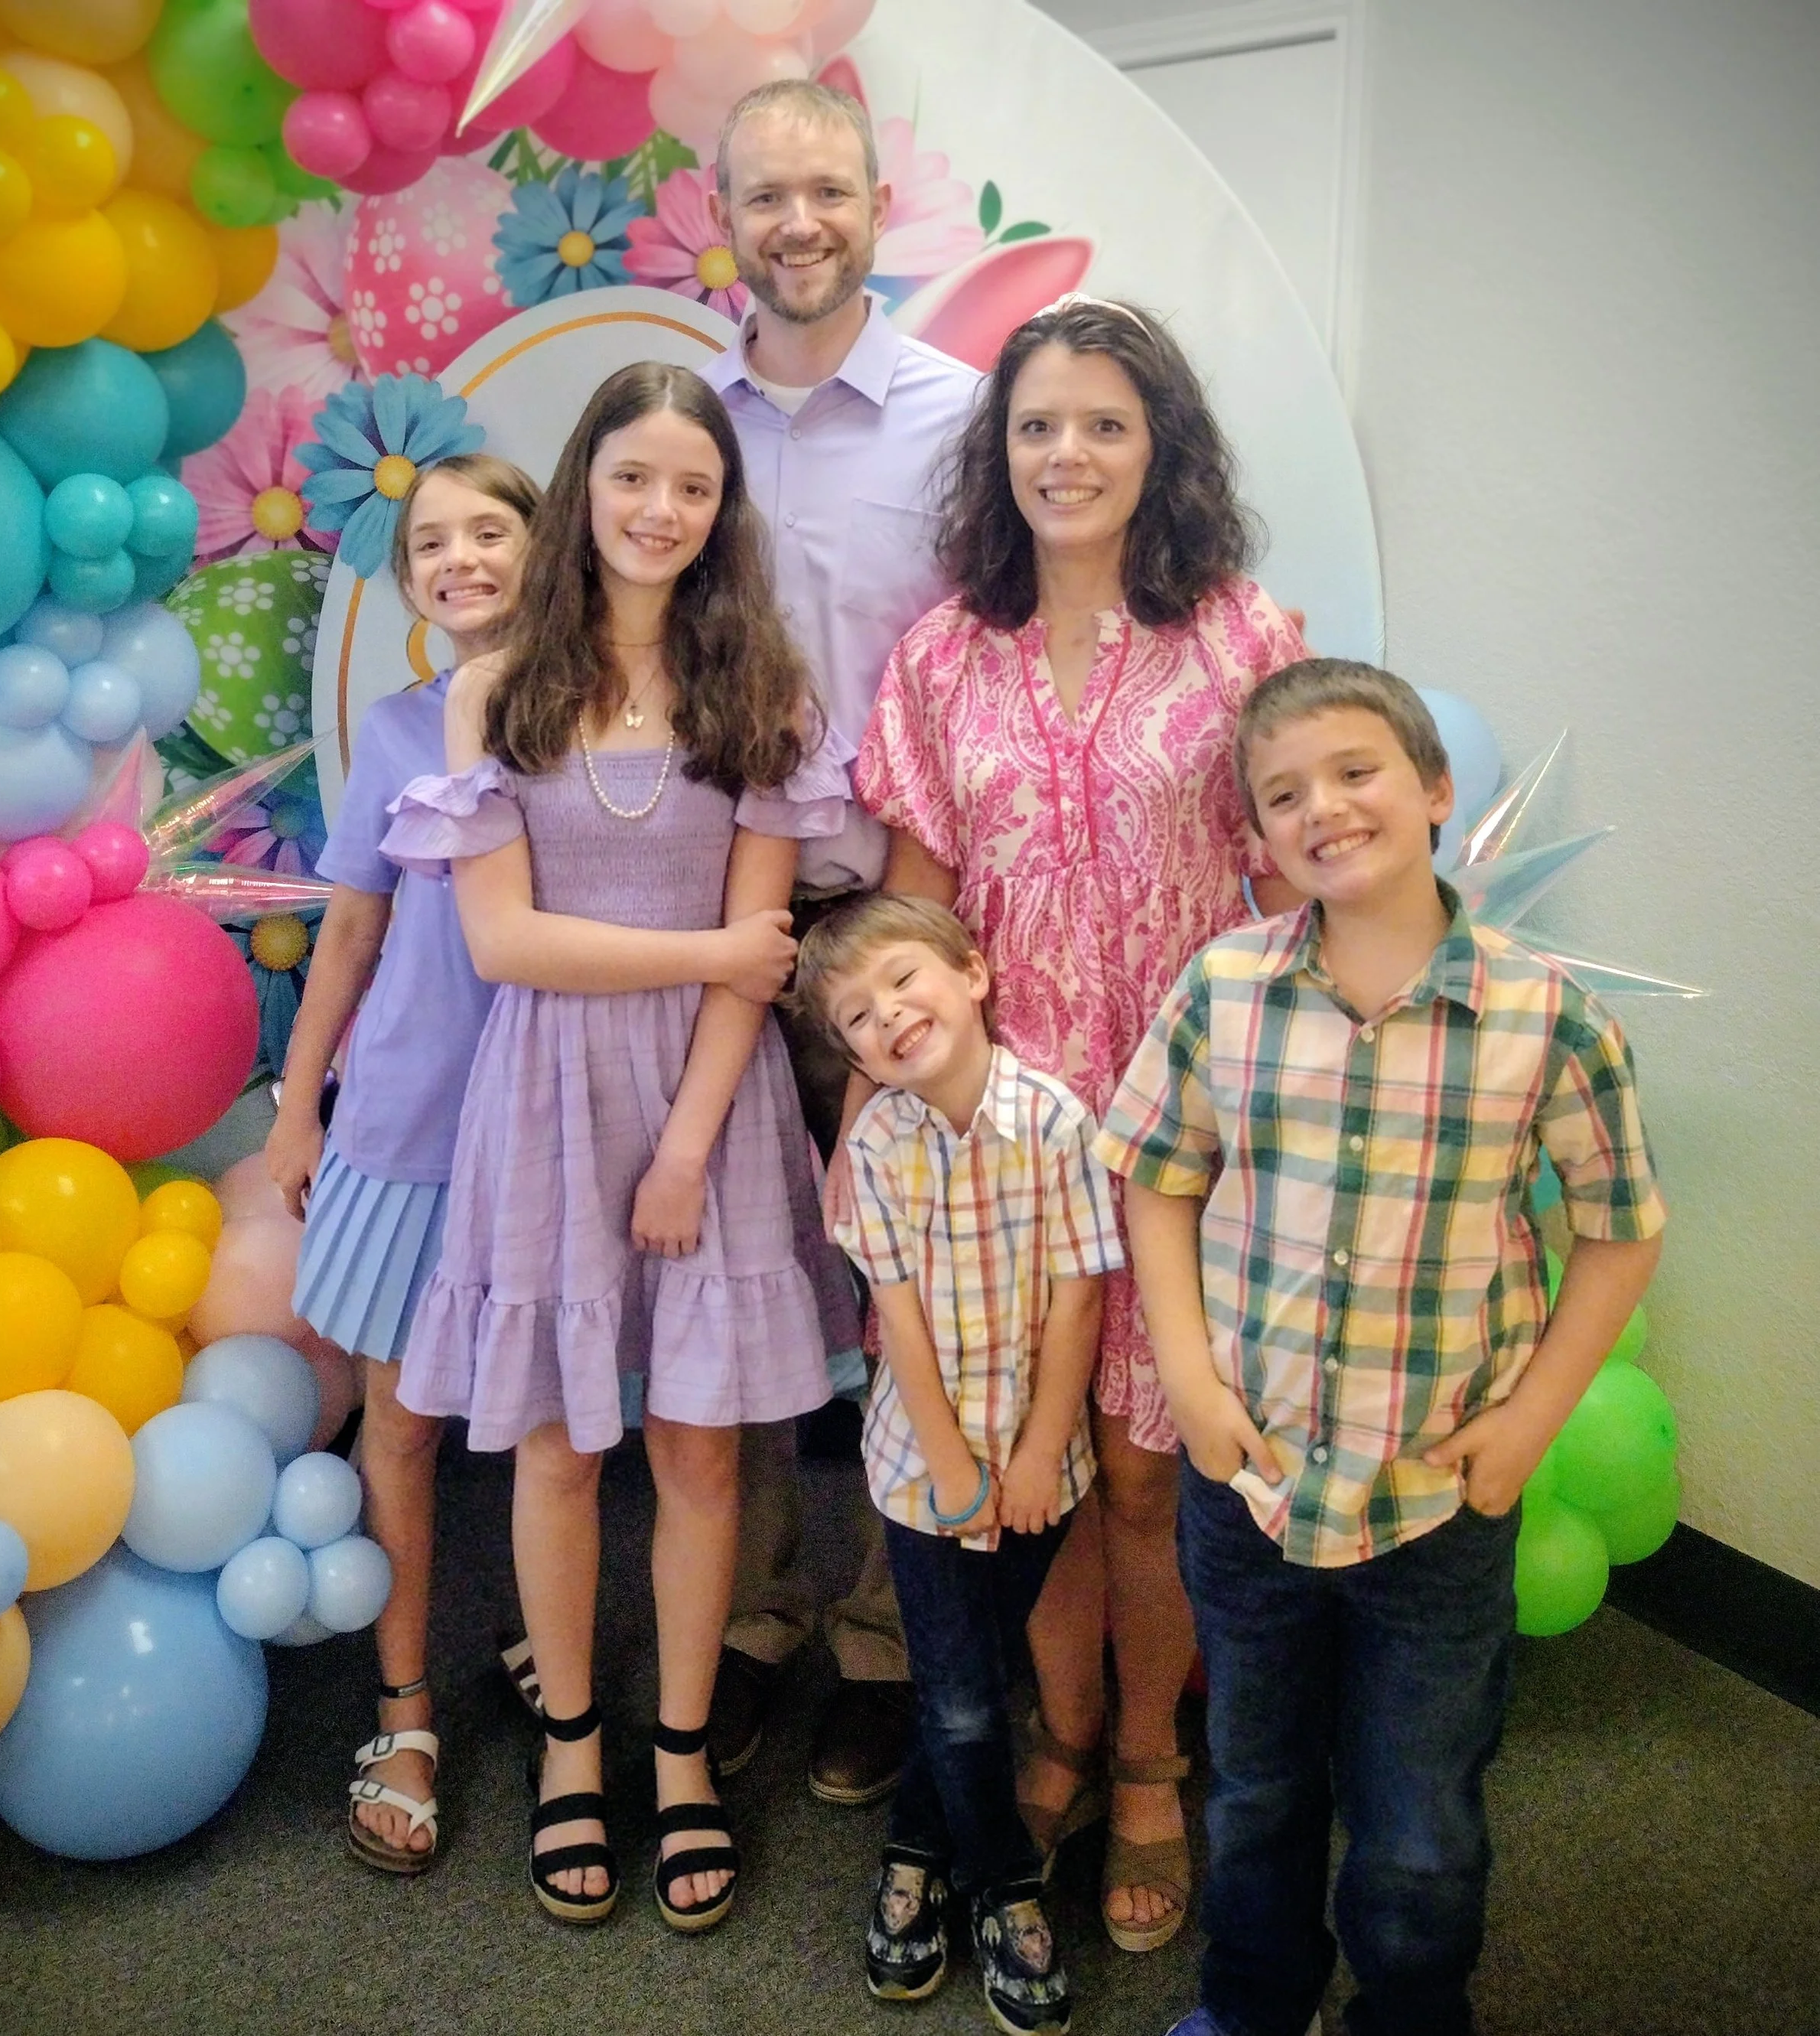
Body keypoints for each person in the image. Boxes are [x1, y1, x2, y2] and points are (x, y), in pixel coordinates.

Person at [1094, 660, 1665, 2036]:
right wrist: (1184, 1372)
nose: (1324, 808)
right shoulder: (1225, 986)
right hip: (1253, 1484)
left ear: (1435, 789)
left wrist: (1527, 1424)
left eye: (1356, 771)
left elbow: (1620, 1229)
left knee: (1421, 1826)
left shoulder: (1549, 1018)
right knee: (1257, 1784)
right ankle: (1251, 2002)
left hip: (1439, 1503)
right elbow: (1158, 1176)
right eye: (1283, 795)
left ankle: (1411, 2014)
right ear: (1260, 836)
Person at [378, 361, 857, 1933]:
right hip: (542, 1095)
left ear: (721, 515)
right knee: (556, 1443)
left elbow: (764, 941)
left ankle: (679, 1756)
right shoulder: (495, 689)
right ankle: (570, 1745)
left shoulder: (759, 690)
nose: (659, 510)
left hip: (705, 1113)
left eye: (693, 487)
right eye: (632, 477)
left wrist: (689, 1138)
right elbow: (505, 941)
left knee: (701, 1445)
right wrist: (712, 957)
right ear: (583, 485)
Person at [855, 295, 1307, 1950]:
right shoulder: (934, 656)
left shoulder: (1244, 638)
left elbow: (1293, 887)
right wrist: (872, 1137)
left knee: (1143, 1474)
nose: (1068, 453)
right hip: (999, 1149)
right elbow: (903, 916)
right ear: (999, 450)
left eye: (1105, 424)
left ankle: (1138, 1763)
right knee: (1024, 1472)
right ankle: (1050, 1734)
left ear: (1157, 446)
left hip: (1192, 1136)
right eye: (1037, 424)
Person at [696, 76, 982, 1806]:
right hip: (716, 921)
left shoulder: (966, 419)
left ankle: (882, 1635)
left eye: (825, 191)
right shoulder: (680, 421)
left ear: (877, 203)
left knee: (903, 1287)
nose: (795, 222)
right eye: (762, 197)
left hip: (895, 918)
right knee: (731, 1285)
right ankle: (747, 1619)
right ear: (717, 213)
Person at [267, 451, 542, 1874]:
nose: (461, 558)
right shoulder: (393, 728)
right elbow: (354, 935)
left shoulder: (591, 716)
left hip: (552, 1123)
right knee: (407, 1424)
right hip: (407, 1119)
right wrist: (298, 1104)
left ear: (538, 547)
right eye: (431, 541)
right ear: (408, 578)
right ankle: (407, 1699)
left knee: (549, 1419)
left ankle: (544, 1642)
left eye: (489, 530)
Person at [793, 894, 1122, 2036]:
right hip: (923, 1472)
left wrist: (1036, 1453)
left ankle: (912, 1849)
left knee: (971, 1683)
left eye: (900, 982)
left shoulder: (1060, 1122)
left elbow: (1082, 1294)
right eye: (855, 1018)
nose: (886, 1017)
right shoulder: (879, 1146)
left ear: (974, 973)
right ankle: (1009, 1894)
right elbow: (896, 1317)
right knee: (971, 1704)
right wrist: (949, 1465)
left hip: (1042, 1468)